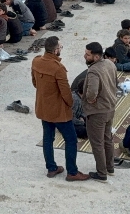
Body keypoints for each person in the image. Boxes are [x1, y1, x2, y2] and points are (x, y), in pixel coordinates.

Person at [32, 36, 88, 181]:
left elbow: (35, 83)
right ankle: (72, 172)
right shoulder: (58, 68)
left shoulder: (36, 61)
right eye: (60, 48)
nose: (61, 50)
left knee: (47, 138)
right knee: (71, 139)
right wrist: (70, 105)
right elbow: (66, 93)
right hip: (59, 111)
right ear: (56, 50)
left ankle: (51, 168)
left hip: (43, 107)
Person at [82, 42, 117, 181]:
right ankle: (110, 167)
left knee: (97, 143)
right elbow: (115, 82)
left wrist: (90, 100)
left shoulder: (93, 70)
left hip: (97, 111)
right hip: (110, 107)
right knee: (107, 139)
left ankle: (101, 173)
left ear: (96, 57)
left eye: (87, 54)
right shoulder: (110, 64)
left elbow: (92, 92)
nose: (85, 56)